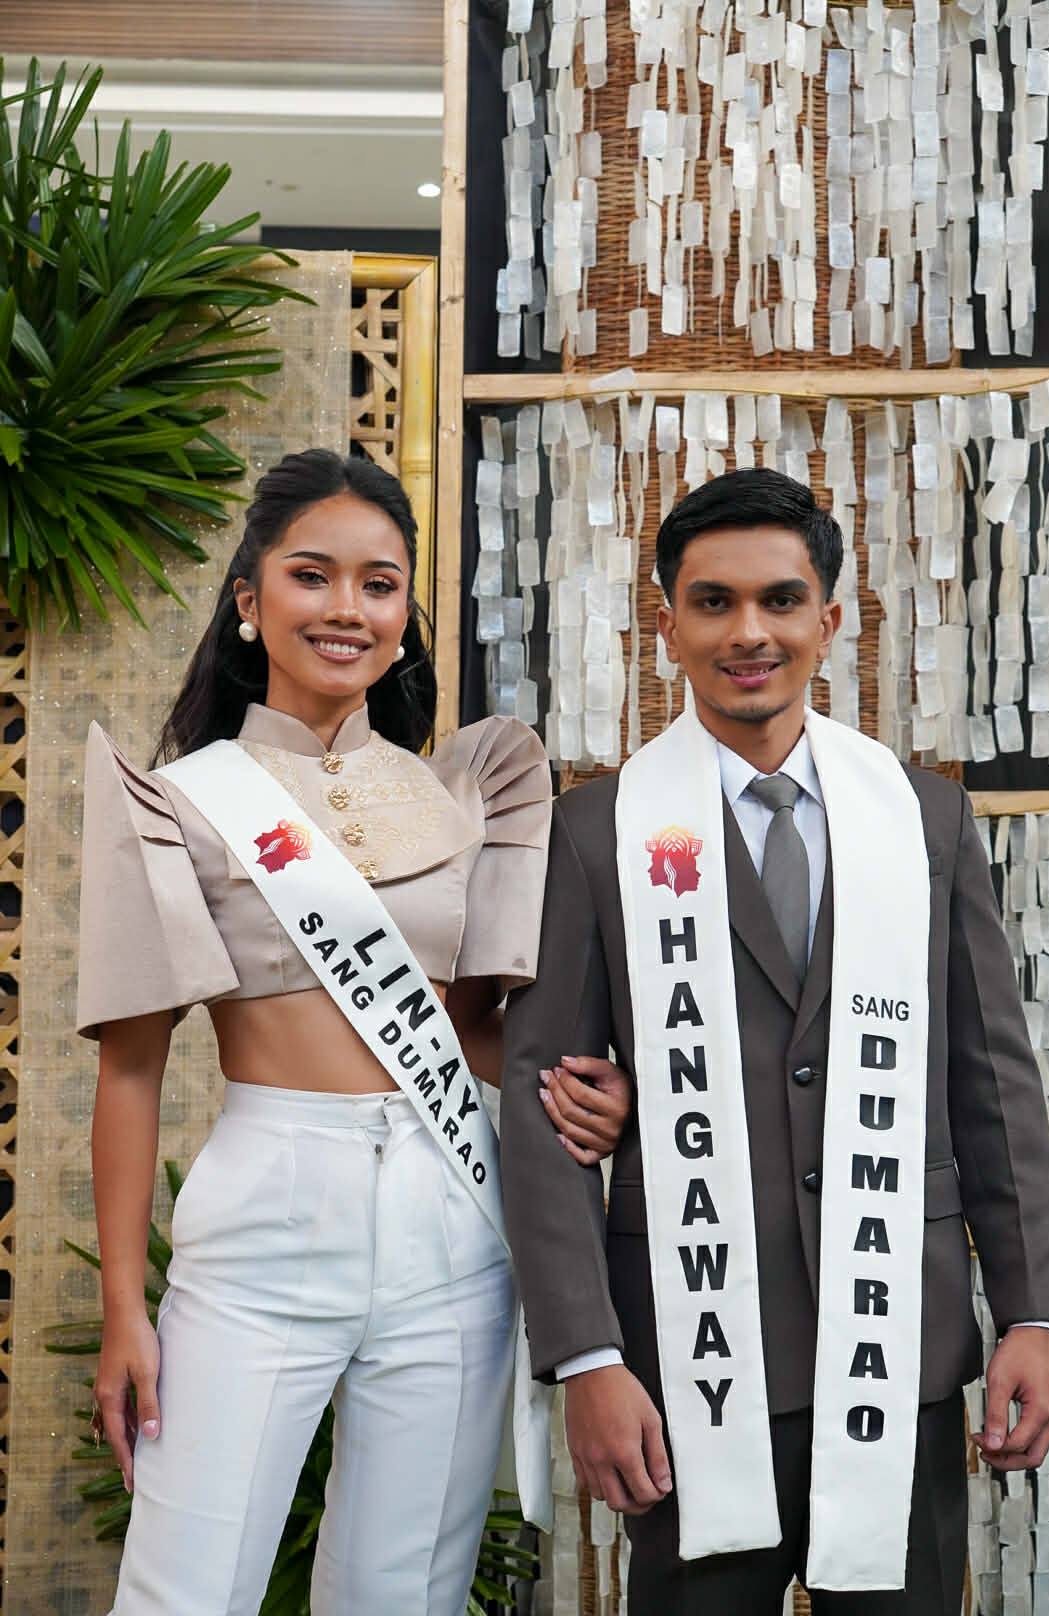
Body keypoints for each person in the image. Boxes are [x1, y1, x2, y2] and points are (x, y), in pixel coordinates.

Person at [502, 466, 1049, 1614]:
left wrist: (1034, 1311)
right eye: (713, 602)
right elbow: (542, 1100)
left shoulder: (922, 816)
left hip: (897, 1348)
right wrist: (588, 1355)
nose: (748, 631)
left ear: (830, 615)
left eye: (780, 598)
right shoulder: (596, 831)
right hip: (690, 1352)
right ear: (667, 624)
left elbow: (992, 1081)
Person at [77, 448, 631, 1616]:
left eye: (379, 584)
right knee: (186, 1589)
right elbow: (130, 1071)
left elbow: (477, 1034)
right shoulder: (183, 800)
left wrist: (594, 1096)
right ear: (249, 598)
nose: (347, 608)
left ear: (404, 610)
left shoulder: (467, 791)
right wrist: (126, 1304)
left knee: (403, 1591)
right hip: (265, 1215)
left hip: (452, 1219)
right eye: (312, 575)